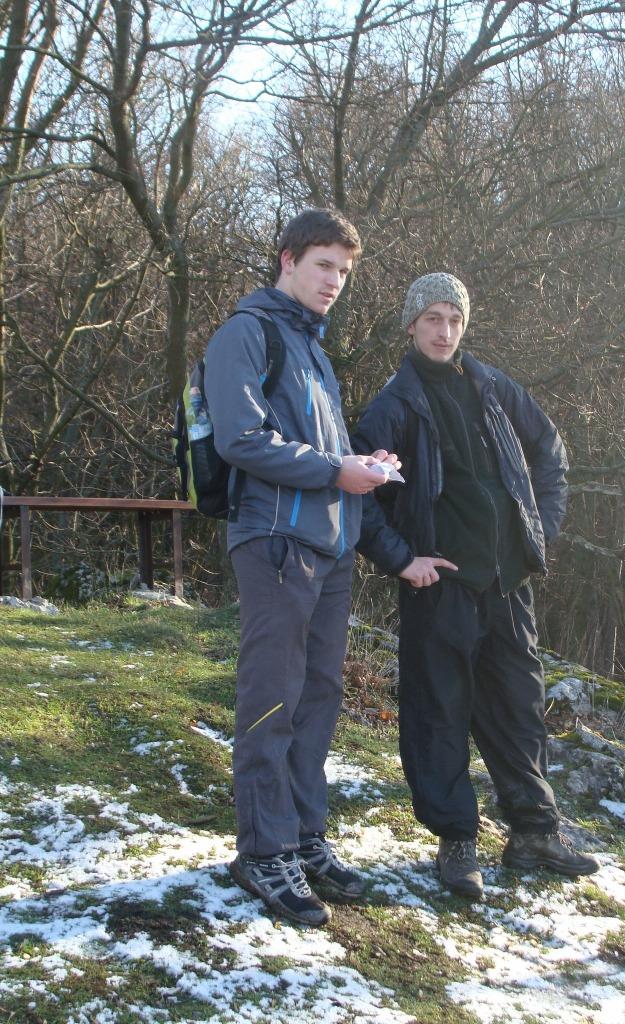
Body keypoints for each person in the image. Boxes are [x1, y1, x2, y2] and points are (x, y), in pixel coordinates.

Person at [353, 272, 598, 899]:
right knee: (439, 712)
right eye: (433, 319)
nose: (444, 331)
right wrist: (402, 559)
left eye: (454, 320)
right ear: (411, 325)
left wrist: (538, 529)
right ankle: (456, 841)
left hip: (508, 582)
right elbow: (358, 495)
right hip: (440, 586)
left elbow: (550, 452)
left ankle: (534, 832)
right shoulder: (394, 405)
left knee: (519, 707)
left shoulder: (492, 387)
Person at [204, 209, 396, 926]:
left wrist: (363, 466)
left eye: (344, 271)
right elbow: (240, 438)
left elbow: (322, 451)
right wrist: (334, 470)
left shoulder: (312, 347)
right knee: (273, 696)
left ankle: (304, 837)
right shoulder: (247, 332)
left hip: (329, 546)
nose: (335, 281)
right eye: (324, 265)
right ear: (287, 259)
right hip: (275, 542)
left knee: (317, 697)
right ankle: (263, 850)